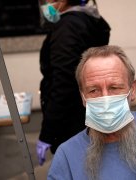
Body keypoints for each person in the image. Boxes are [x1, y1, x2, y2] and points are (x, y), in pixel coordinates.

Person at [47, 45, 136, 180]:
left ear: (133, 90)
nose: (105, 99)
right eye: (94, 90)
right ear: (83, 97)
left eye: (114, 87)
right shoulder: (67, 156)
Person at [36, 0, 111, 166]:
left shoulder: (67, 28)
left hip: (72, 120)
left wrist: (47, 133)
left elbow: (64, 84)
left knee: (79, 166)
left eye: (48, 0)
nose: (45, 5)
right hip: (89, 112)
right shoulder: (86, 19)